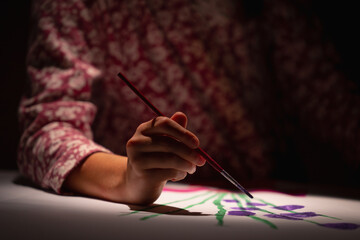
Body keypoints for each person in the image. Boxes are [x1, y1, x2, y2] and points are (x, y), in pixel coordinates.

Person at [18, 0, 360, 205]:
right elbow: (46, 130)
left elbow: (335, 103)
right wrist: (129, 177)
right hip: (144, 209)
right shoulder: (85, 6)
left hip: (267, 198)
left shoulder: (269, 7)